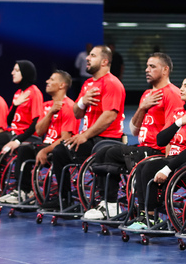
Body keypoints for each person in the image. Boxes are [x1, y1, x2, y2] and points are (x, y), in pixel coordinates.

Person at [83, 52, 183, 220]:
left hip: (156, 151)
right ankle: (109, 204)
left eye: (152, 66)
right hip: (143, 147)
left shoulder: (172, 94)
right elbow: (134, 130)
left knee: (117, 153)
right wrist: (142, 108)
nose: (147, 70)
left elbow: (173, 131)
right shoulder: (146, 95)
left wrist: (168, 163)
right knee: (102, 153)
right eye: (147, 66)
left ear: (165, 70)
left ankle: (136, 209)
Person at [130, 74, 186, 229]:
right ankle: (143, 214)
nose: (181, 89)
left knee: (150, 168)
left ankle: (150, 216)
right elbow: (161, 140)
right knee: (142, 166)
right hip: (175, 160)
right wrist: (178, 123)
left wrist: (167, 168)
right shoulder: (178, 112)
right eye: (182, 85)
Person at [45, 45, 126, 209]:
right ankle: (64, 198)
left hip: (106, 139)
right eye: (88, 55)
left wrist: (86, 135)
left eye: (92, 56)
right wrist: (83, 101)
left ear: (104, 61)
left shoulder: (112, 83)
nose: (87, 58)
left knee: (93, 153)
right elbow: (77, 113)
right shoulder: (88, 83)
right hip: (90, 137)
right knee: (60, 151)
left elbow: (109, 116)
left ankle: (107, 203)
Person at [0, 70, 79, 204]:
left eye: (52, 80)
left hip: (61, 147)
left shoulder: (69, 106)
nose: (47, 81)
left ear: (61, 85)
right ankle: (24, 191)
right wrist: (50, 113)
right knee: (25, 150)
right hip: (47, 144)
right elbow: (39, 131)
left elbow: (65, 139)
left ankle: (63, 197)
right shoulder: (46, 106)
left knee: (55, 152)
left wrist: (45, 151)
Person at [0, 60, 44, 192]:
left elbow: (36, 122)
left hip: (28, 136)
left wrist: (19, 140)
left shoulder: (34, 92)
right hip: (14, 133)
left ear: (25, 73)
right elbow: (8, 120)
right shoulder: (18, 93)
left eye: (16, 70)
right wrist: (15, 105)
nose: (12, 73)